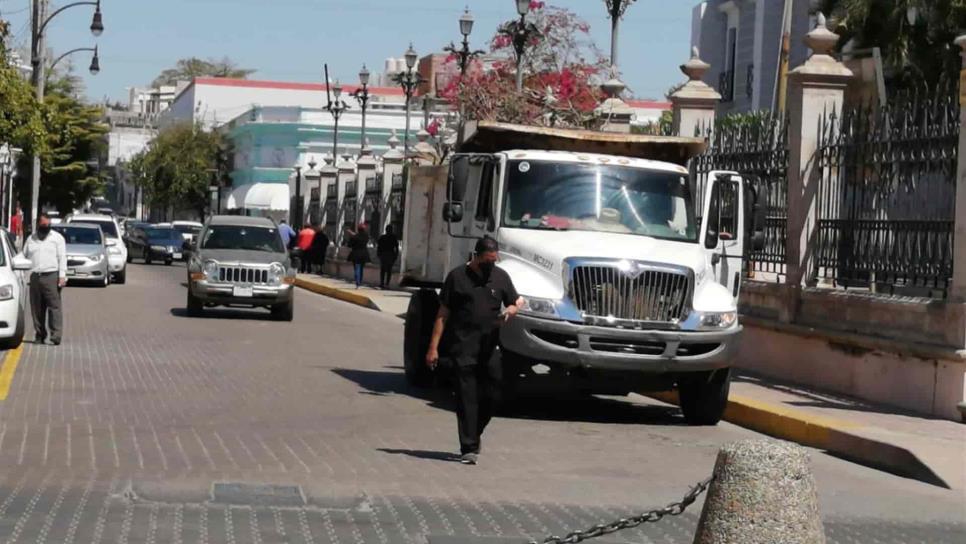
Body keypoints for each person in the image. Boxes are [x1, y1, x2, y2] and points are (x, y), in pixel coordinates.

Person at [425, 237, 523, 465]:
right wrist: (433, 348)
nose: (491, 264)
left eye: (494, 260)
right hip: (462, 347)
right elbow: (442, 314)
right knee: (466, 398)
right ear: (476, 256)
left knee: (493, 394)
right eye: (487, 260)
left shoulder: (500, 277)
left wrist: (510, 310)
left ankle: (475, 432)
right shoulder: (457, 277)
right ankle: (468, 447)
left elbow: (516, 301)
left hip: (489, 348)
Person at [22, 214, 67, 345]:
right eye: (43, 225)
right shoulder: (31, 239)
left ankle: (56, 335)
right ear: (38, 225)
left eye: (48, 225)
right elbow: (24, 255)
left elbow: (62, 257)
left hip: (51, 275)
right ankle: (40, 334)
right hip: (35, 276)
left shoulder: (57, 239)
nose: (45, 228)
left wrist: (62, 276)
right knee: (37, 308)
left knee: (54, 307)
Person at [346, 224, 370, 288]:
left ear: (358, 229)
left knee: (357, 268)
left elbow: (349, 245)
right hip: (364, 254)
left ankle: (357, 281)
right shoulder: (366, 236)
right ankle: (360, 281)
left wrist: (352, 235)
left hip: (356, 254)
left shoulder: (354, 237)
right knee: (361, 268)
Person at [376, 225, 400, 289]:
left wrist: (378, 254)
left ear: (386, 230)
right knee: (389, 270)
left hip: (384, 255)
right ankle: (387, 284)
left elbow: (378, 247)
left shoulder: (382, 237)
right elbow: (396, 247)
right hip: (390, 255)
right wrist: (396, 255)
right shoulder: (394, 237)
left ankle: (382, 283)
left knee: (383, 270)